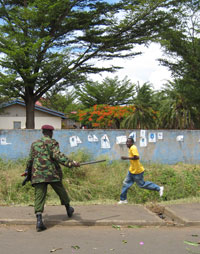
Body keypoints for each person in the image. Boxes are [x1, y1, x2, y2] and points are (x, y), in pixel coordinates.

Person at [22, 124, 80, 232]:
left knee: (39, 196)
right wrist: (71, 163)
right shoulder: (53, 142)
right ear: (51, 132)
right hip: (52, 174)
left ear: (42, 132)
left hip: (38, 174)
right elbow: (57, 156)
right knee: (61, 191)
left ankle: (39, 220)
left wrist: (27, 172)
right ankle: (68, 209)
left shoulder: (34, 144)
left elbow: (30, 160)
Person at [118, 137, 164, 204]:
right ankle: (123, 199)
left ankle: (159, 188)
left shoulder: (133, 148)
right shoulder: (131, 148)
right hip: (132, 170)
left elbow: (137, 157)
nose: (127, 143)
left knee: (142, 184)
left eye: (128, 142)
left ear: (132, 143)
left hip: (137, 171)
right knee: (125, 183)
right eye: (126, 142)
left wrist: (126, 158)